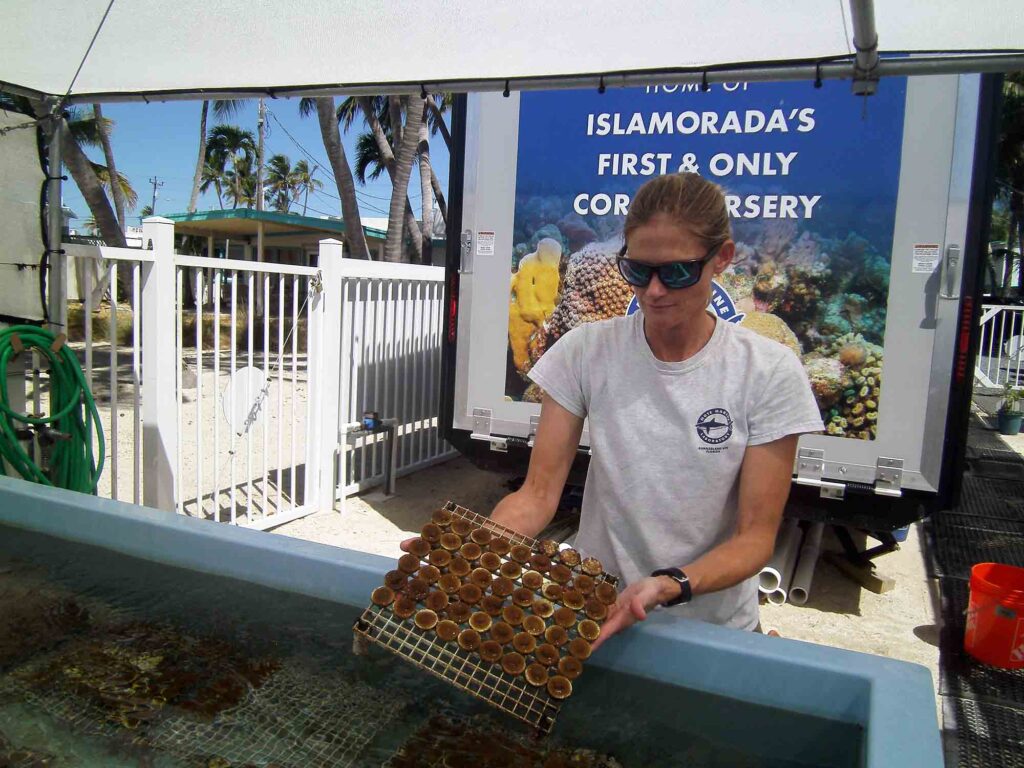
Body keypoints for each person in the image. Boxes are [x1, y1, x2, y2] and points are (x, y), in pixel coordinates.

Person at [489, 172, 824, 648]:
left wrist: (671, 584)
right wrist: (473, 545)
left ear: (722, 259)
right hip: (596, 611)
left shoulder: (768, 371)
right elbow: (537, 496)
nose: (654, 291)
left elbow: (754, 539)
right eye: (638, 270)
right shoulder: (586, 351)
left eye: (677, 272)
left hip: (712, 629)